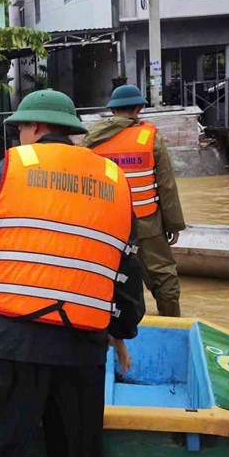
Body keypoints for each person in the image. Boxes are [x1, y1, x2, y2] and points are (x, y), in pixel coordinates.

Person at [0, 90, 146, 457]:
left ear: (35, 126)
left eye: (20, 128)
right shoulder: (113, 181)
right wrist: (120, 327)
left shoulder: (10, 168)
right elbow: (127, 269)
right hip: (80, 351)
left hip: (6, 342)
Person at [83, 84, 185, 317]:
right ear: (139, 108)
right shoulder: (150, 138)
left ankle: (119, 330)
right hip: (147, 222)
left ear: (112, 110)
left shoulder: (92, 141)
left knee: (111, 277)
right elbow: (167, 186)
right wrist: (173, 225)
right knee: (163, 275)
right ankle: (171, 324)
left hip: (107, 225)